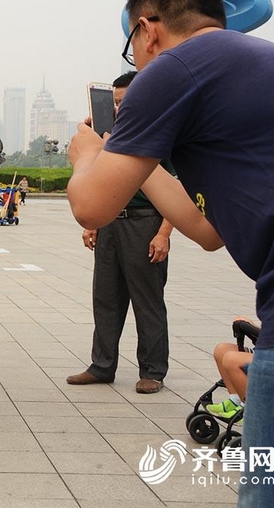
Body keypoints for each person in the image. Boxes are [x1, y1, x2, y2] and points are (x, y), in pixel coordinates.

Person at [66, 0, 274, 506]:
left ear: (148, 29)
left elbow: (90, 207)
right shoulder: (266, 67)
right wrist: (134, 152)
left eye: (134, 46)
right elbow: (210, 230)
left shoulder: (174, 67)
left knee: (272, 495)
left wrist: (88, 157)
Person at [67, 71, 175, 395]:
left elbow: (178, 189)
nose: (119, 108)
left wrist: (164, 233)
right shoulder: (109, 138)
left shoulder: (160, 133)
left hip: (146, 223)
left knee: (148, 300)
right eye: (115, 103)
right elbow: (101, 183)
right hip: (111, 222)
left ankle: (153, 371)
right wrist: (94, 222)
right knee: (105, 298)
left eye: (125, 102)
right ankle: (102, 366)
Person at [207, 317, 256, 420]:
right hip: (265, 350)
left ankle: (250, 411)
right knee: (221, 349)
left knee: (231, 359)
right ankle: (235, 399)